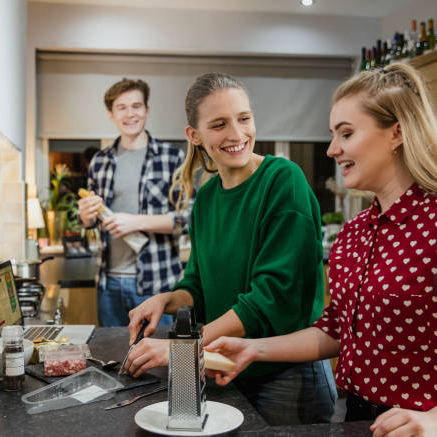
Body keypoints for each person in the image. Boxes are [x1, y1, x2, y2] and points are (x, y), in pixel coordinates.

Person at [203, 62, 437, 437]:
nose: (332, 149)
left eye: (346, 133)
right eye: (332, 134)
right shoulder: (354, 234)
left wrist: (434, 418)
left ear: (396, 133)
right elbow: (335, 331)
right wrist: (252, 349)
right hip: (357, 418)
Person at [123, 72, 337, 425]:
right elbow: (197, 283)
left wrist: (183, 349)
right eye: (219, 124)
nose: (237, 134)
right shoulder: (206, 197)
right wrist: (166, 300)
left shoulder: (284, 180)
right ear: (195, 136)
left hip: (286, 379)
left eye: (244, 119)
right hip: (225, 370)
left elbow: (270, 298)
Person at [78, 78, 190, 327]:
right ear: (111, 114)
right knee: (114, 361)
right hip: (108, 284)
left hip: (157, 283)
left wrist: (135, 222)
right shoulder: (100, 161)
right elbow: (90, 222)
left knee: (160, 361)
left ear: (147, 110)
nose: (130, 114)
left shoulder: (172, 157)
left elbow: (188, 219)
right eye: (122, 107)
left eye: (137, 106)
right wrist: (86, 216)